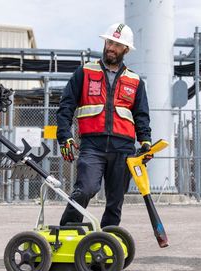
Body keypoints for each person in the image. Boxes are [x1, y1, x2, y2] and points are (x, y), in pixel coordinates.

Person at [56, 23, 152, 228]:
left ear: (126, 49)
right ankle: (66, 232)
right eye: (109, 42)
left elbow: (141, 115)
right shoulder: (84, 72)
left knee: (115, 200)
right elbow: (66, 106)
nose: (111, 47)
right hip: (92, 146)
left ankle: (107, 241)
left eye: (117, 45)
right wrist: (65, 136)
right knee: (85, 189)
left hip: (123, 148)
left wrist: (145, 142)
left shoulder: (135, 81)